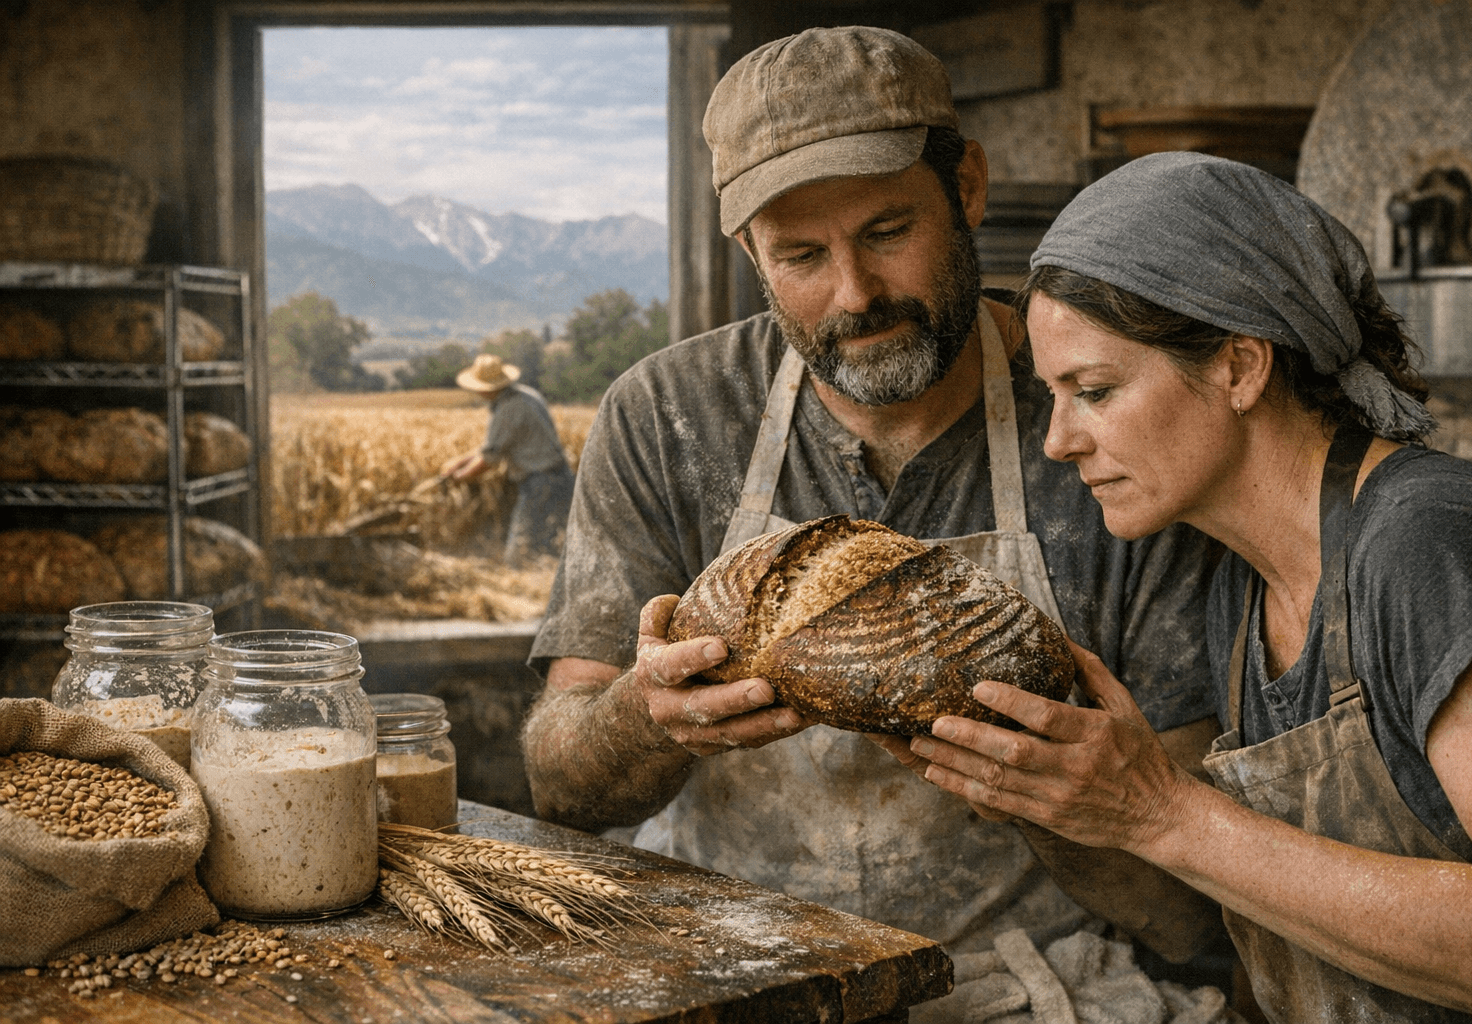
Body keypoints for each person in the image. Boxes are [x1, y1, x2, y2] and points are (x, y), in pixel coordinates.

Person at [520, 25, 1232, 970]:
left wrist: (1056, 799)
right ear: (746, 248)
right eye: (800, 256)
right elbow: (560, 786)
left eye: (888, 233)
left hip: (1024, 985)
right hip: (723, 974)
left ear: (968, 187)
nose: (855, 293)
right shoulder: (666, 414)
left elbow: (1193, 912)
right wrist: (647, 720)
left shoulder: (1106, 422)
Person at [884, 151, 1472, 1023]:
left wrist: (1160, 812)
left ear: (1239, 366)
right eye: (1053, 396)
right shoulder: (1239, 587)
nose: (1059, 440)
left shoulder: (1430, 541)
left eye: (1096, 391)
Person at [441, 352, 573, 568]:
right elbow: (490, 448)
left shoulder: (509, 408)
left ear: (486, 388)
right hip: (559, 477)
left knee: (521, 553)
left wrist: (459, 478)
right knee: (552, 544)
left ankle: (532, 592)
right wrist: (458, 464)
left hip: (540, 483)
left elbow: (489, 459)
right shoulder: (526, 395)